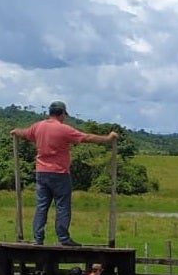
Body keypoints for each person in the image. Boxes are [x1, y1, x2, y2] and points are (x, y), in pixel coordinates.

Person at [10, 101, 118, 246]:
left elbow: (25, 133)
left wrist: (16, 131)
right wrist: (108, 138)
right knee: (62, 206)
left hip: (41, 172)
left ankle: (37, 238)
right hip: (59, 173)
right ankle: (63, 238)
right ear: (61, 113)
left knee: (42, 206)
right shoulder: (63, 129)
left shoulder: (38, 126)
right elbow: (87, 138)